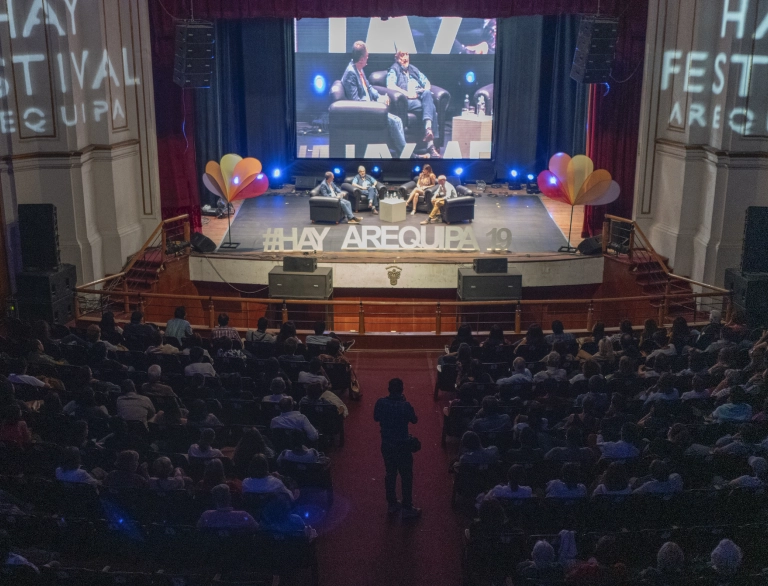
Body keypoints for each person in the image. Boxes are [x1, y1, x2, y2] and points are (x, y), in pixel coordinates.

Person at [342, 40, 406, 156]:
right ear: (361, 59)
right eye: (367, 56)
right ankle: (407, 156)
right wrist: (376, 106)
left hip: (371, 107)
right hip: (365, 112)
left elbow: (369, 87)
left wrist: (381, 97)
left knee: (397, 120)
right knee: (395, 121)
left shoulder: (358, 69)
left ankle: (401, 153)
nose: (368, 58)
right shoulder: (351, 73)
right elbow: (356, 101)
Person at [373, 378, 420, 518]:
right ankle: (407, 506)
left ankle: (392, 504)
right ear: (402, 390)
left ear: (388, 389)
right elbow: (414, 419)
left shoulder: (381, 403)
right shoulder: (405, 405)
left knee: (390, 474)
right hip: (403, 446)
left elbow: (376, 418)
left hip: (387, 444)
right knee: (406, 476)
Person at [386, 48, 441, 158]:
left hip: (420, 96)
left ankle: (428, 131)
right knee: (432, 110)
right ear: (397, 59)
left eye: (406, 54)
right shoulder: (394, 70)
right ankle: (431, 145)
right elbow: (390, 85)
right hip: (407, 100)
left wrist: (425, 89)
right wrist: (407, 93)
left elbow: (426, 82)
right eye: (402, 56)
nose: (405, 58)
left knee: (427, 94)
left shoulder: (414, 69)